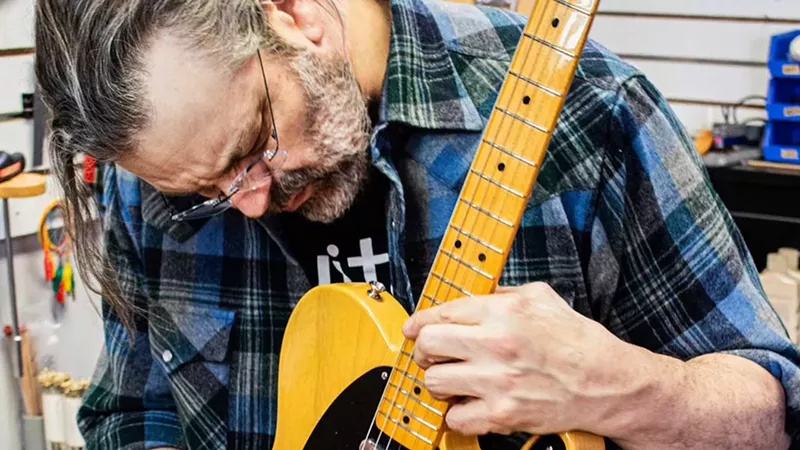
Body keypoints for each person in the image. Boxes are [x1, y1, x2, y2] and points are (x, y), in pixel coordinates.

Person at [34, 0, 799, 448]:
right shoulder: (171, 177)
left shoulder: (586, 114)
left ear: (295, 15)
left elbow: (777, 408)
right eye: (206, 190)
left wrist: (624, 390)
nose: (249, 199)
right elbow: (133, 413)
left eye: (255, 145)